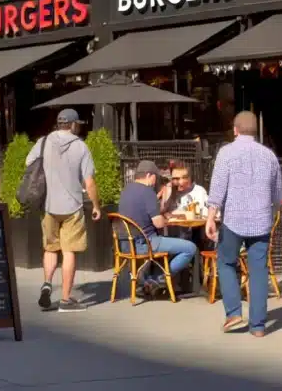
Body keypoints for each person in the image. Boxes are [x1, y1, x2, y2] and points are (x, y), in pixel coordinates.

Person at [206, 111, 282, 337]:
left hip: (233, 220)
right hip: (261, 221)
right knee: (258, 271)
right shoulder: (269, 155)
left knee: (226, 262)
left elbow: (218, 187)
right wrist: (272, 212)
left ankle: (234, 312)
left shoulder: (226, 153)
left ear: (235, 130)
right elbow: (279, 193)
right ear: (255, 131)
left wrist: (211, 216)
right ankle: (258, 326)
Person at [25, 108, 101, 313]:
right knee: (69, 252)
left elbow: (29, 164)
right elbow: (90, 181)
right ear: (74, 125)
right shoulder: (81, 147)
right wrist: (95, 205)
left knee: (50, 248)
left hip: (48, 205)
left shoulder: (43, 142)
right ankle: (66, 300)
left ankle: (48, 283)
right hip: (72, 206)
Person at [118, 160, 197, 296]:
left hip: (125, 244)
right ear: (150, 175)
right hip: (145, 243)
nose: (156, 182)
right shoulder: (147, 192)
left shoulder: (126, 190)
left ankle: (148, 280)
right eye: (156, 177)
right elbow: (158, 223)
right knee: (190, 248)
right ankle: (158, 279)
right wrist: (168, 219)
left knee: (171, 243)